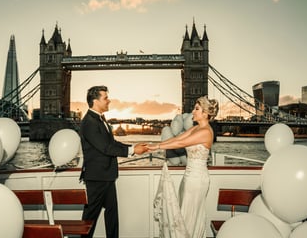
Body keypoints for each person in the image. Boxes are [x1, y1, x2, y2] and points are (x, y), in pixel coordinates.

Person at [79, 85, 147, 238]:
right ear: (95, 101)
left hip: (107, 176)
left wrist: (132, 148)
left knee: (112, 215)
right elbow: (105, 148)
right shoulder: (89, 122)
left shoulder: (100, 119)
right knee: (90, 218)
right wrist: (132, 151)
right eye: (105, 98)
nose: (109, 101)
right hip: (96, 179)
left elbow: (113, 143)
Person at [147, 96, 219, 238]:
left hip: (197, 180)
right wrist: (153, 145)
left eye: (196, 109)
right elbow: (177, 139)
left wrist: (155, 147)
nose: (193, 111)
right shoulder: (196, 128)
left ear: (205, 114)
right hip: (188, 177)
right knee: (184, 214)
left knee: (189, 216)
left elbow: (181, 144)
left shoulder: (205, 132)